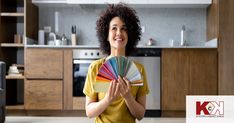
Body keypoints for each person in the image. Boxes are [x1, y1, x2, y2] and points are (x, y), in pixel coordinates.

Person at [83, 3, 149, 123]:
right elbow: (89, 112)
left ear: (129, 35)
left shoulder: (139, 70)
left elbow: (140, 115)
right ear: (106, 35)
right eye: (114, 28)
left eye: (124, 28)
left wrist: (128, 97)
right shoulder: (95, 68)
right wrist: (107, 100)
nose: (119, 33)